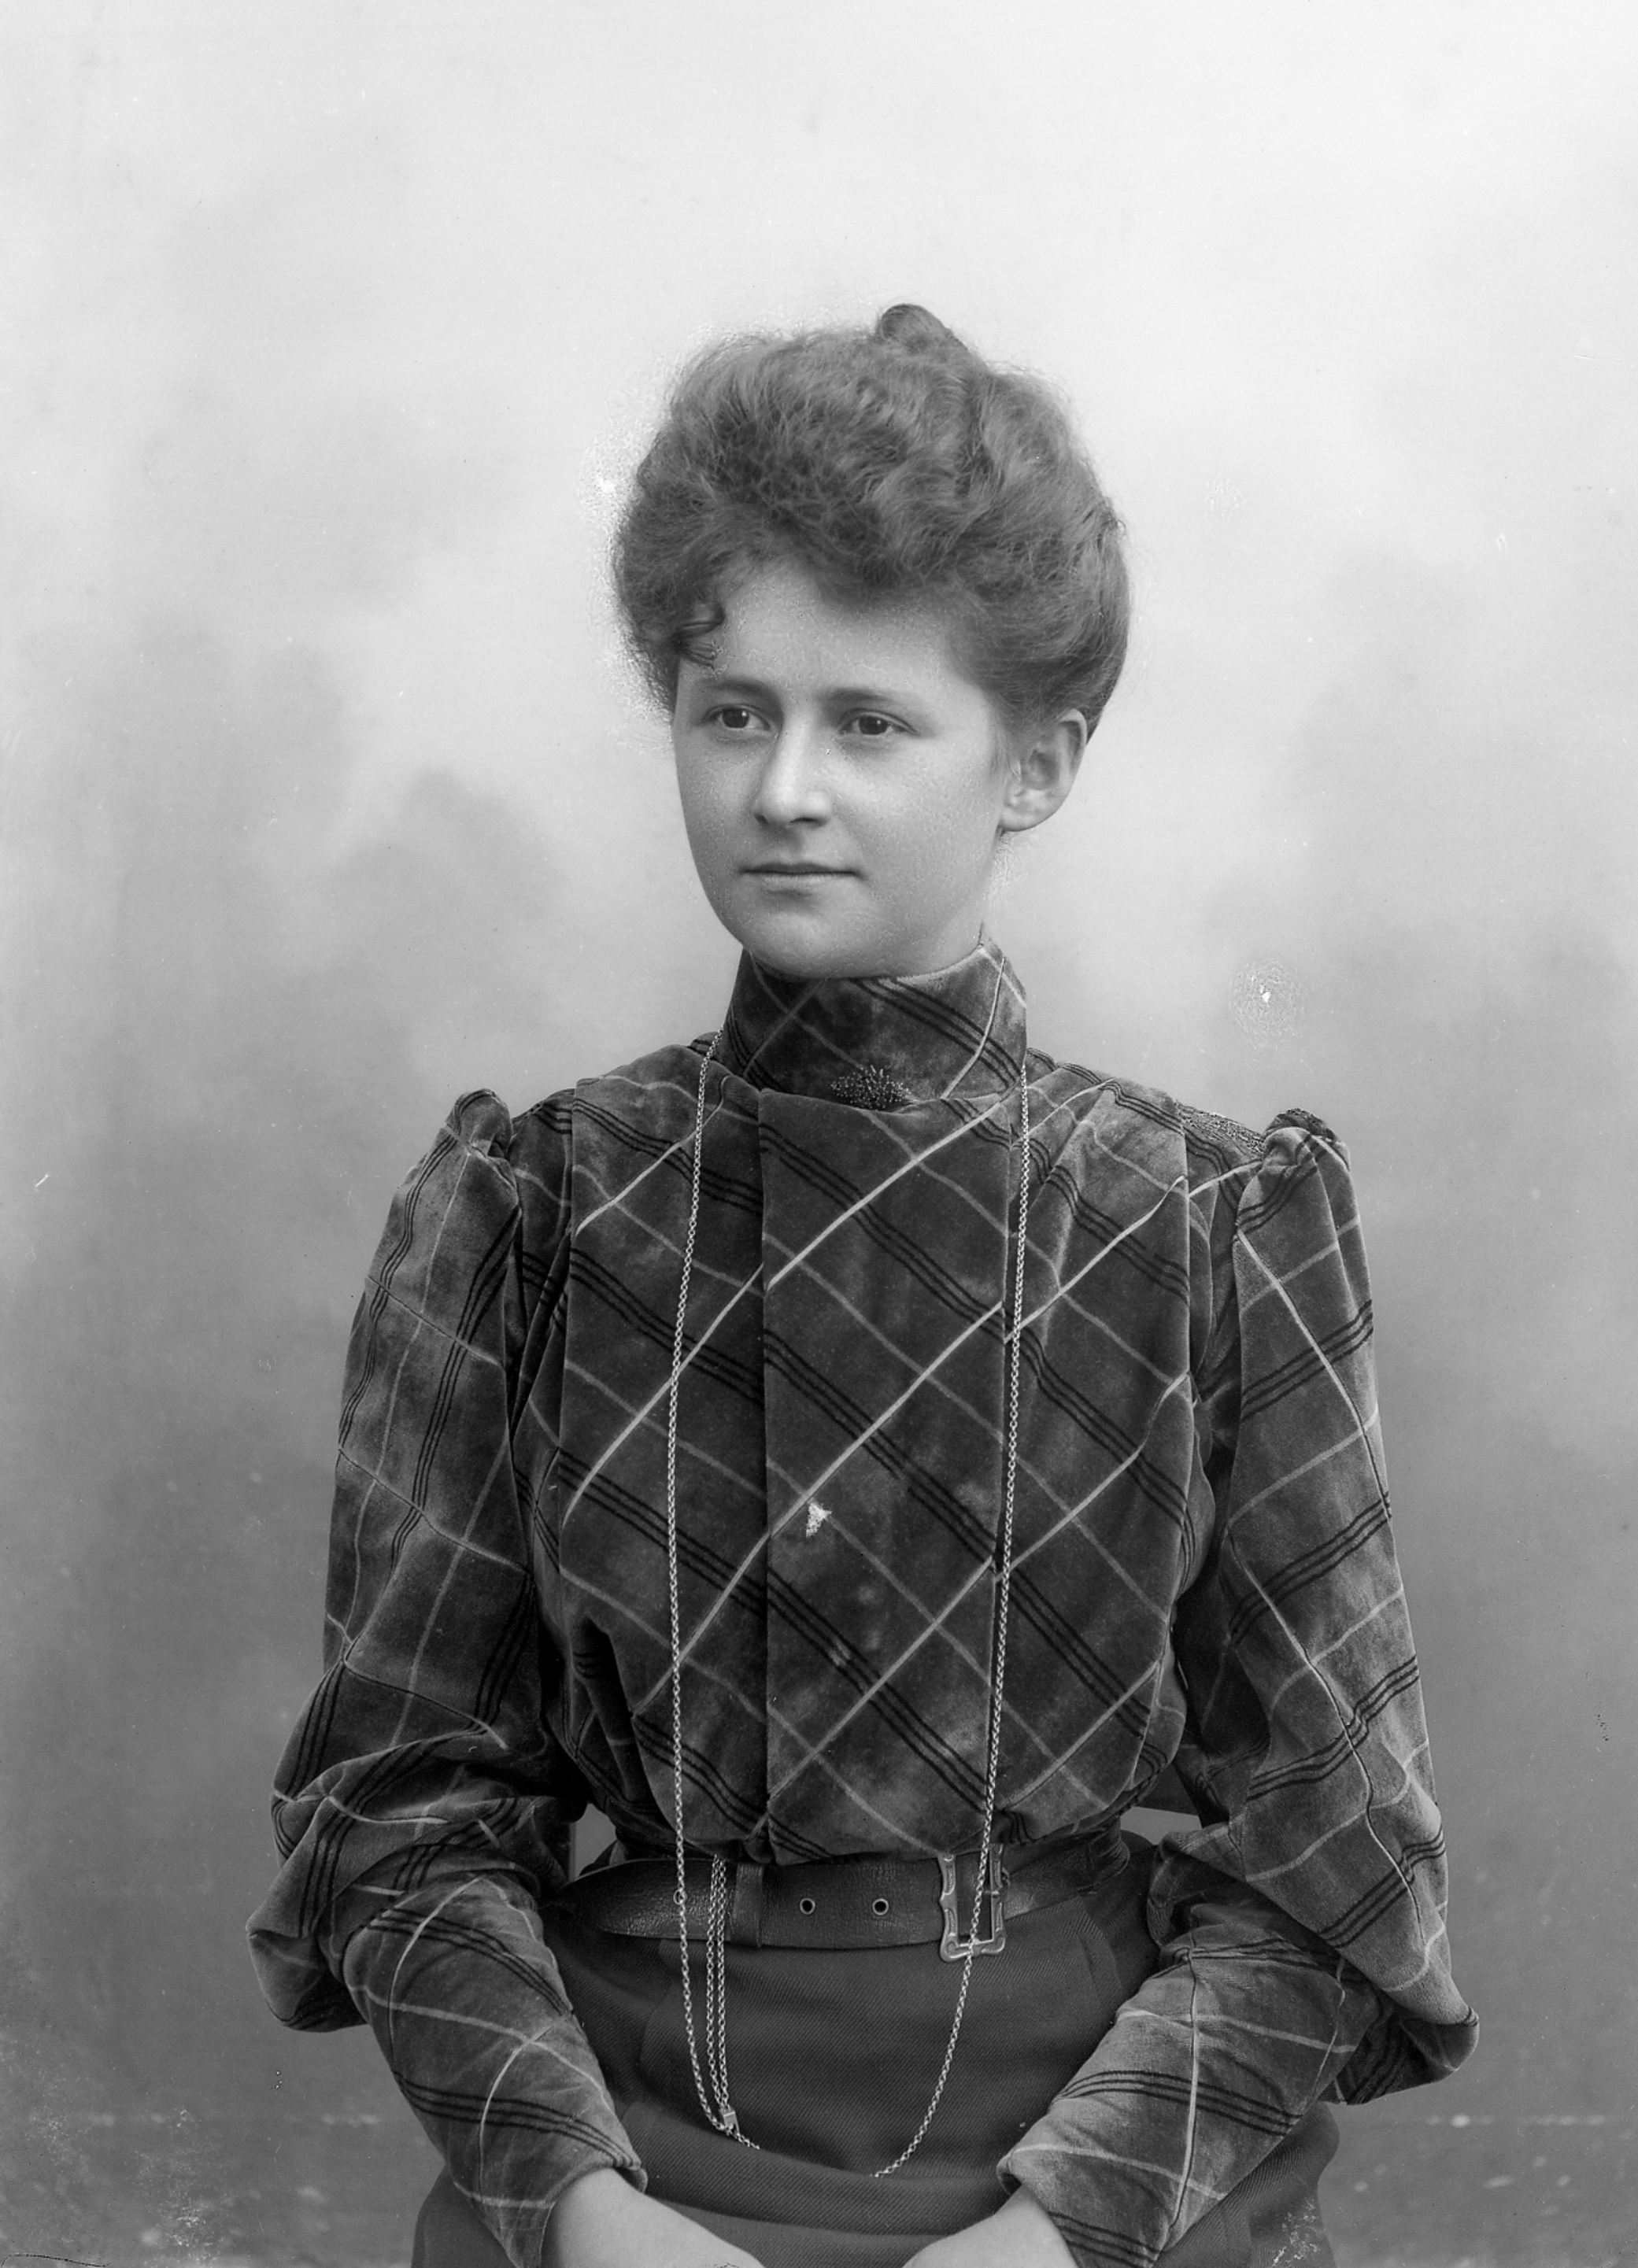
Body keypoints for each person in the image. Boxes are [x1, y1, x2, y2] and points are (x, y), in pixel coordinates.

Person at [248, 305, 1477, 2268]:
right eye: (732, 711)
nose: (785, 789)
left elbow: (1335, 1872)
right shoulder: (531, 1212)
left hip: (1097, 2158)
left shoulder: (1202, 1228)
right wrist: (582, 2211)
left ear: (1037, 760)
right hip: (626, 2130)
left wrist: (1055, 2235)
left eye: (873, 723)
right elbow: (399, 1814)